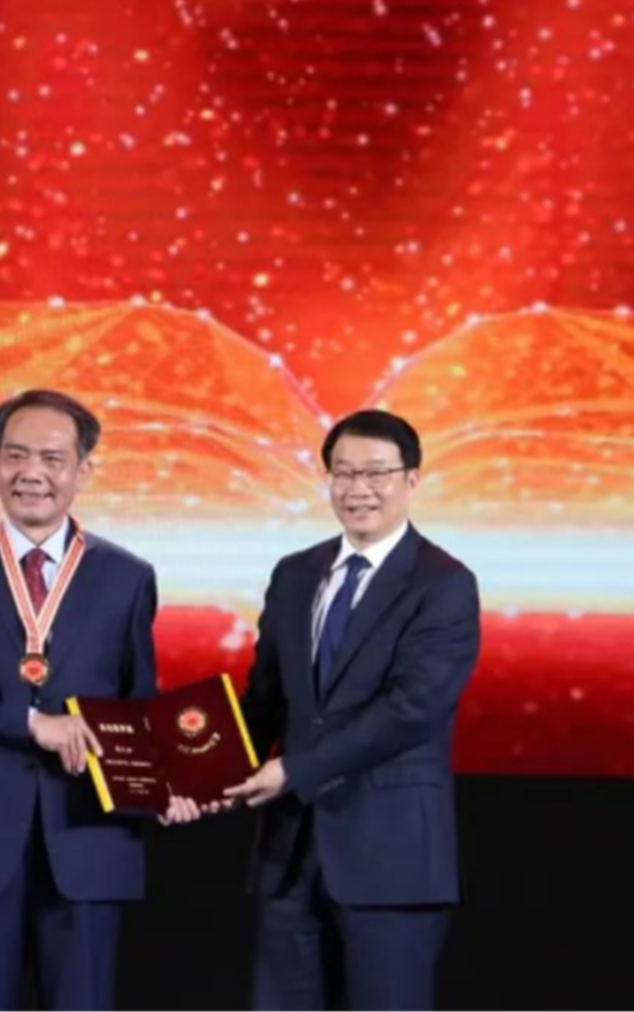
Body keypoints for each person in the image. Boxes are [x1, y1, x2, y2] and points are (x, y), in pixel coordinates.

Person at [0, 388, 199, 1011]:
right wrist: (34, 723)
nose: (31, 473)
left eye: (52, 459)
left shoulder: (128, 576)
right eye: (15, 455)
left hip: (91, 831)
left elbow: (137, 703)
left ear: (83, 471)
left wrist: (166, 782)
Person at [225, 408, 482, 1011]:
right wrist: (195, 770)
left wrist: (296, 770)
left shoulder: (442, 583)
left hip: (391, 859)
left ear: (411, 480)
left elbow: (411, 709)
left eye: (375, 473)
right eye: (343, 473)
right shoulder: (296, 574)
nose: (357, 488)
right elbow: (265, 699)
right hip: (290, 857)